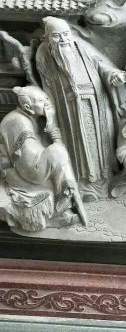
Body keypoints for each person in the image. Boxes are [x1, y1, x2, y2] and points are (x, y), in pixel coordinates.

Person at [35, 16, 126, 199]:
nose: (63, 39)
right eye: (57, 36)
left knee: (100, 142)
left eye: (66, 34)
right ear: (47, 37)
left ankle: (104, 181)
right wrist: (51, 110)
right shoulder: (43, 53)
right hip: (67, 107)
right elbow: (47, 84)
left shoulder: (80, 45)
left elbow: (101, 64)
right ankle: (82, 185)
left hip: (96, 102)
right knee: (77, 145)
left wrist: (113, 75)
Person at [0, 86, 87, 230]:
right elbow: (27, 161)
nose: (47, 103)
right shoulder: (17, 121)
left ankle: (63, 209)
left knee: (59, 155)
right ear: (28, 107)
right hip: (22, 171)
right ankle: (59, 212)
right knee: (57, 152)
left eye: (46, 98)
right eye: (41, 101)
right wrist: (53, 133)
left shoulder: (29, 117)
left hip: (31, 165)